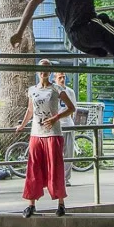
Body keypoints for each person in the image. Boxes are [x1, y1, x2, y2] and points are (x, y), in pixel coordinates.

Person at [17, 60, 75, 217]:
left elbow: (71, 108)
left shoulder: (56, 88)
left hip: (53, 133)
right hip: (36, 133)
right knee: (33, 167)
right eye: (41, 69)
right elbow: (30, 109)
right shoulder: (32, 90)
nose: (43, 72)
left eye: (46, 69)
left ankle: (61, 204)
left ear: (50, 72)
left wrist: (56, 118)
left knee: (55, 167)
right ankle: (31, 204)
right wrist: (22, 125)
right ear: (37, 71)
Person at [54, 73, 78, 186]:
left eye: (64, 77)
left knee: (68, 152)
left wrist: (72, 122)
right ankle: (55, 177)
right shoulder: (53, 90)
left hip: (68, 124)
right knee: (55, 153)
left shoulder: (70, 92)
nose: (62, 79)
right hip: (56, 126)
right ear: (55, 79)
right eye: (60, 77)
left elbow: (73, 109)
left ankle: (66, 178)